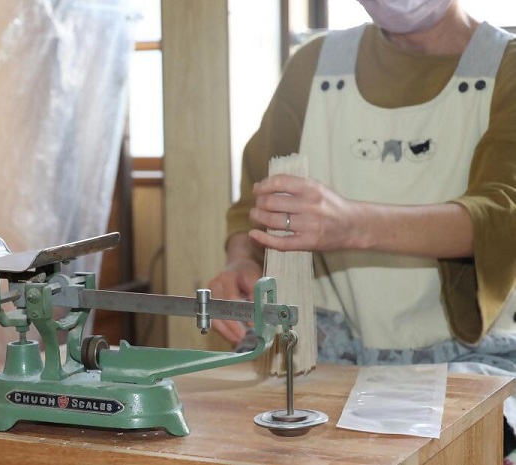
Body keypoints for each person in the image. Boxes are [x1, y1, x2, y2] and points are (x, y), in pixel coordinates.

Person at [207, 0, 516, 459]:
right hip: (325, 363)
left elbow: (501, 212)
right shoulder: (313, 66)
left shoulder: (505, 68)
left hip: (467, 366)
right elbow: (257, 202)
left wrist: (351, 224)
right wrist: (242, 261)